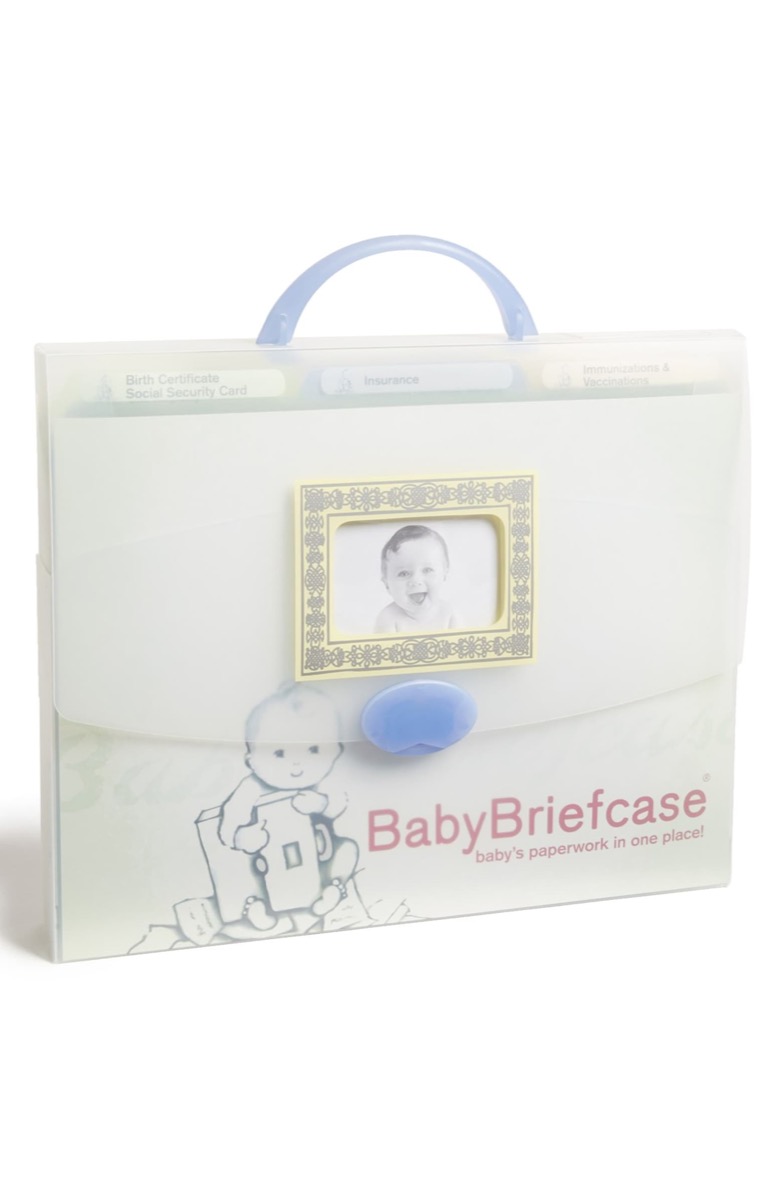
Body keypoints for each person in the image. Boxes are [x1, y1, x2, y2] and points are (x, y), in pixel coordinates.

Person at [217, 683, 360, 933]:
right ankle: (255, 907)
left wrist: (322, 804)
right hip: (265, 863)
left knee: (347, 849)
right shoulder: (252, 788)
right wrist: (241, 837)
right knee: (241, 871)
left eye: (313, 750)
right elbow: (228, 823)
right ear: (251, 761)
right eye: (279, 753)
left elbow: (339, 802)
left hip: (319, 858)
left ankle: (333, 887)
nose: (297, 764)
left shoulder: (321, 783)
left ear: (336, 751)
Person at [375, 524, 458, 634]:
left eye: (427, 570)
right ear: (387, 584)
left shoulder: (449, 615)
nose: (416, 581)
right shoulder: (388, 619)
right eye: (403, 573)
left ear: (444, 573)